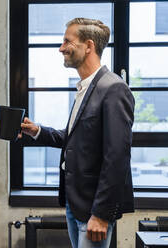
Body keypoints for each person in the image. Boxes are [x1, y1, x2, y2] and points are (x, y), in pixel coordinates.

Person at [20, 18, 135, 248]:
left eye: (67, 41)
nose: (61, 48)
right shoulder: (85, 87)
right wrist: (37, 131)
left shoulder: (113, 88)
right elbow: (76, 140)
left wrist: (101, 214)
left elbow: (117, 157)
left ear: (89, 46)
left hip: (95, 209)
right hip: (76, 203)